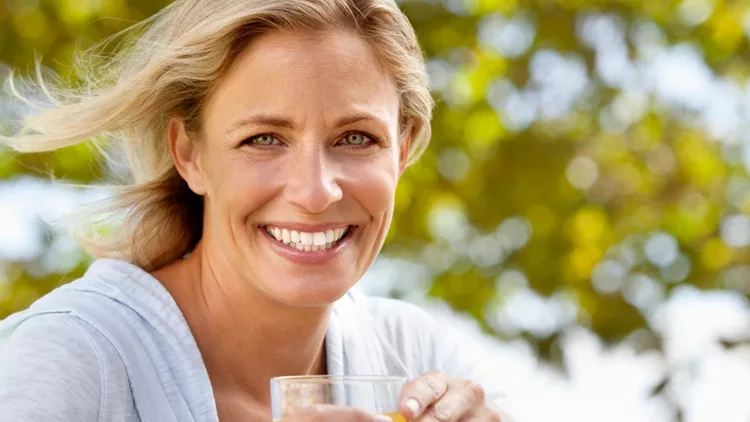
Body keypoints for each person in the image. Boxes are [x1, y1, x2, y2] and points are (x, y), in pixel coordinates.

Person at [0, 0, 514, 421]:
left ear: (401, 152)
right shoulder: (74, 358)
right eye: (263, 139)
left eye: (356, 138)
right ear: (190, 155)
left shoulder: (415, 357)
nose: (315, 193)